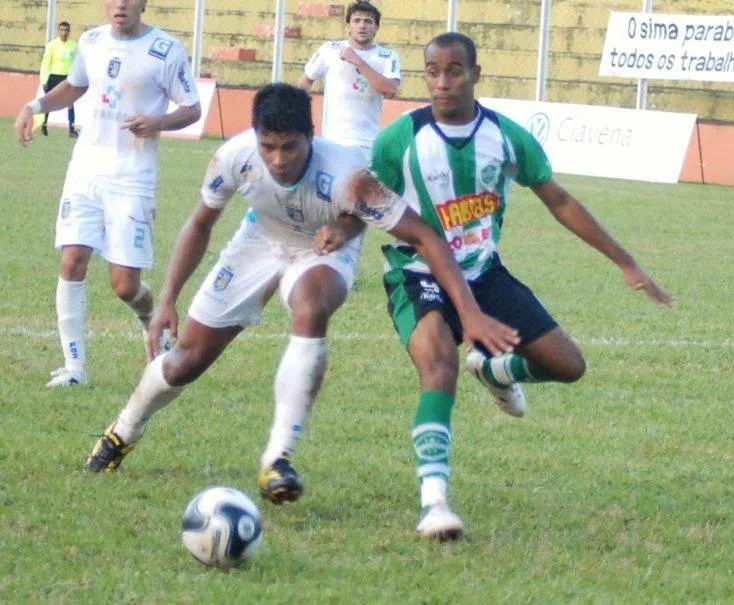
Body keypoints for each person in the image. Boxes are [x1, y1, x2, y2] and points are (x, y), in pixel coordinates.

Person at [82, 83, 519, 509]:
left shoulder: (348, 175)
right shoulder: (233, 158)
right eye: (268, 146)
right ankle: (123, 432)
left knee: (311, 306)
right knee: (185, 362)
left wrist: (346, 230)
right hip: (258, 242)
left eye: (290, 147)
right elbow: (200, 224)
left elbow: (423, 234)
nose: (278, 159)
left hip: (321, 253)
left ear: (311, 137)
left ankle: (278, 459)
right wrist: (167, 299)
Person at [364, 32, 674, 541]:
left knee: (569, 366)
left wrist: (625, 262)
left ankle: (495, 371)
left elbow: (560, 200)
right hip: (417, 274)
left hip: (484, 273)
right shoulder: (398, 139)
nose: (443, 83)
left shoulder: (507, 137)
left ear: (476, 73)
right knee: (438, 363)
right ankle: (434, 503)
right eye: (433, 72)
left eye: (455, 71)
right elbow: (369, 199)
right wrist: (336, 231)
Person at [13, 0, 201, 388]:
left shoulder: (166, 50)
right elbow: (76, 86)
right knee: (72, 259)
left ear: (144, 0)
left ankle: (151, 318)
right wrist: (35, 105)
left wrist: (158, 123)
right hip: (85, 169)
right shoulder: (92, 41)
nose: (120, 4)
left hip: (132, 177)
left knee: (123, 284)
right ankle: (75, 367)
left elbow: (192, 109)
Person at [297, 0, 401, 163]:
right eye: (356, 21)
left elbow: (390, 90)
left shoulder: (387, 56)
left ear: (376, 28)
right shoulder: (329, 49)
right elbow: (305, 82)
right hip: (333, 140)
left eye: (368, 21)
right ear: (348, 27)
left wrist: (358, 61)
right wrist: (300, 117)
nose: (362, 25)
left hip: (368, 142)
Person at [39, 21, 78, 138]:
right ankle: (44, 126)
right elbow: (45, 64)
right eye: (62, 30)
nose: (64, 32)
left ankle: (71, 130)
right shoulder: (52, 45)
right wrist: (44, 80)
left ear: (69, 32)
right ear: (58, 31)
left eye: (66, 30)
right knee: (49, 102)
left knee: (70, 103)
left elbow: (77, 63)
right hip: (54, 77)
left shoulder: (74, 46)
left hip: (68, 78)